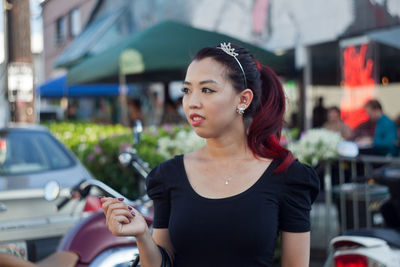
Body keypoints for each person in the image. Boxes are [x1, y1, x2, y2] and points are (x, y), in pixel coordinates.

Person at [100, 42, 319, 267]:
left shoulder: (288, 176)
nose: (192, 103)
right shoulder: (168, 176)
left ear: (243, 99)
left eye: (207, 90)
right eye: (187, 90)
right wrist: (142, 235)